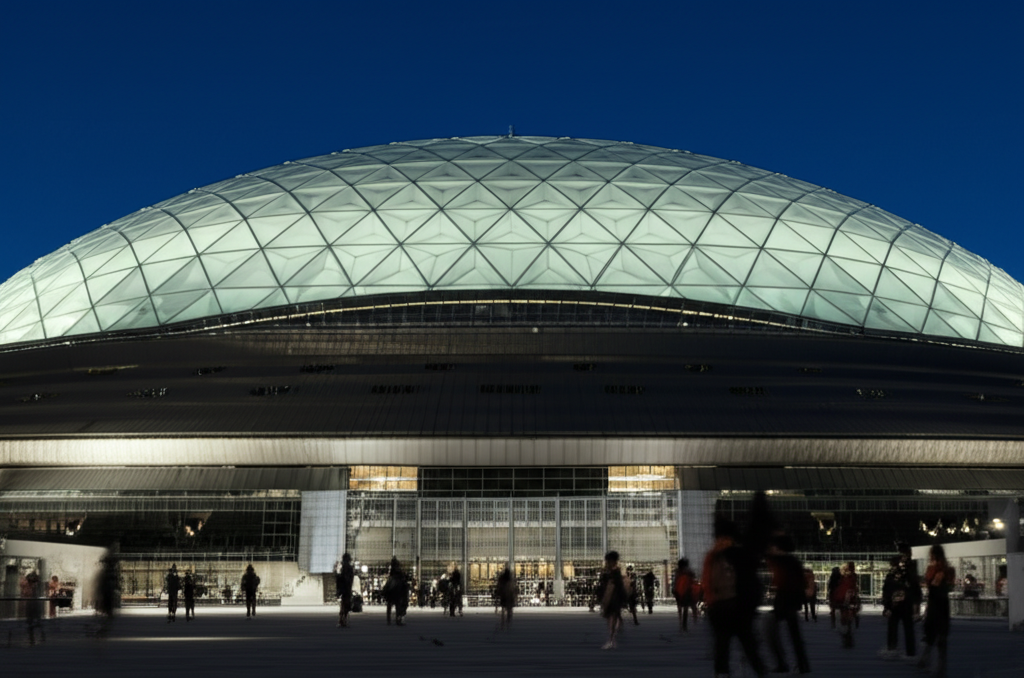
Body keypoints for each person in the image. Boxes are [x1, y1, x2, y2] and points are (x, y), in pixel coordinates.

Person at [702, 518, 767, 676]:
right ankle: (760, 671)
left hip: (721, 607)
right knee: (748, 645)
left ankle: (723, 672)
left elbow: (707, 580)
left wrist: (710, 603)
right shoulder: (737, 554)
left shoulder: (714, 555)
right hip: (737, 607)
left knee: (723, 646)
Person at [765, 535, 811, 674]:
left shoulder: (784, 560)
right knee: (794, 635)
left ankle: (783, 663)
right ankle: (801, 664)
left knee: (771, 628)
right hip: (790, 601)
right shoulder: (792, 561)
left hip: (786, 602)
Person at [918, 544, 954, 677]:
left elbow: (931, 584)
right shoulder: (948, 569)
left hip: (934, 603)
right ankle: (940, 666)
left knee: (931, 633)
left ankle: (926, 660)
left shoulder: (933, 569)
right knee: (941, 636)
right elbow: (950, 586)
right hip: (943, 603)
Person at [881, 544, 919, 658]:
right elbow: (914, 588)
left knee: (895, 627)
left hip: (897, 604)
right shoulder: (910, 571)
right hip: (905, 603)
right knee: (907, 628)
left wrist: (886, 605)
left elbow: (887, 590)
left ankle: (893, 648)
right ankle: (909, 652)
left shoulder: (893, 576)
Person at [598, 551, 628, 649]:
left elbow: (610, 588)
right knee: (613, 618)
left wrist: (605, 601)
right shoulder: (617, 572)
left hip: (613, 599)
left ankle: (611, 640)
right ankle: (612, 638)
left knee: (611, 618)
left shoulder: (613, 573)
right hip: (616, 598)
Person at [832, 561, 859, 648]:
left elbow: (845, 590)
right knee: (847, 621)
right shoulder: (851, 578)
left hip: (844, 601)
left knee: (844, 621)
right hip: (847, 601)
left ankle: (847, 639)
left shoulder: (846, 579)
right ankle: (847, 638)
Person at [672, 558, 697, 631]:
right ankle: (686, 624)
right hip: (687, 591)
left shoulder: (678, 572)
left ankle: (681, 624)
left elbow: (675, 582)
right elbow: (693, 579)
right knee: (688, 607)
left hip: (678, 591)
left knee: (680, 608)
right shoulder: (688, 572)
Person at [384, 557, 410, 626]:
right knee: (398, 606)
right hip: (397, 589)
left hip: (392, 589)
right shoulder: (398, 571)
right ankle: (398, 619)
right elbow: (403, 577)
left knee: (390, 606)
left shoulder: (391, 572)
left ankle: (389, 620)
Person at [22, 571, 45, 645]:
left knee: (34, 621)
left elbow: (26, 594)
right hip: (32, 604)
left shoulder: (34, 587)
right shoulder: (34, 586)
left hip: (33, 604)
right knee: (33, 621)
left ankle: (36, 637)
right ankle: (34, 637)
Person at [336, 554, 355, 627]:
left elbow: (340, 578)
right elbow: (349, 579)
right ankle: (343, 620)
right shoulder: (348, 568)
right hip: (346, 588)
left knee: (343, 604)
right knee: (345, 605)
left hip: (344, 588)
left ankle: (342, 620)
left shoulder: (344, 568)